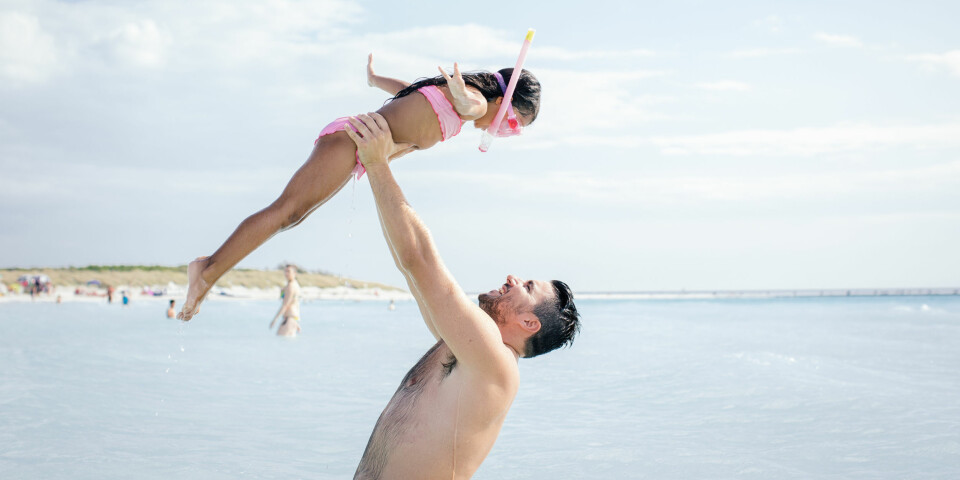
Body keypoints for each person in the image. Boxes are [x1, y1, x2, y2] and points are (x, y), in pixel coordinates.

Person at [177, 55, 541, 321]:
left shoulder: (455, 110)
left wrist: (375, 80)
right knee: (286, 212)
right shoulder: (473, 104)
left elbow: (408, 92)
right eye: (511, 121)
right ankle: (206, 271)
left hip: (355, 145)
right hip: (353, 141)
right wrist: (468, 101)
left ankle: (208, 270)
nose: (503, 131)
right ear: (501, 100)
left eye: (512, 130)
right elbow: (473, 102)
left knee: (293, 216)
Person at [345, 113, 580, 479]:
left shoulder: (496, 362)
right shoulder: (465, 349)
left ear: (529, 323)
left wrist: (377, 162)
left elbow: (420, 259)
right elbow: (409, 266)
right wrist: (377, 167)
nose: (513, 277)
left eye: (527, 287)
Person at [269, 265, 302, 337]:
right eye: (285, 271)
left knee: (280, 340)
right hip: (292, 319)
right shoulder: (294, 284)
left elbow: (285, 305)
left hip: (289, 319)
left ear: (294, 273)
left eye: (289, 271)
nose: (286, 273)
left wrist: (275, 320)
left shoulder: (291, 286)